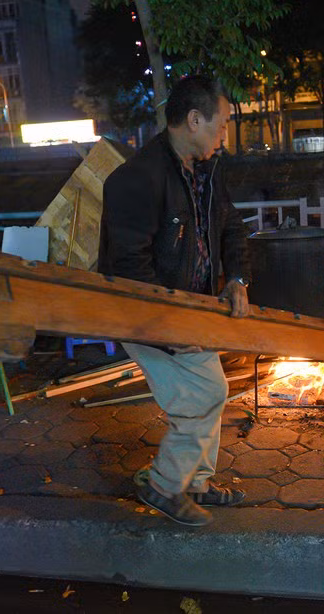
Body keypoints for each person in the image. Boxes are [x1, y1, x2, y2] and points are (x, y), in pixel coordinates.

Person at [99, 74, 251, 527]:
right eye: (221, 124)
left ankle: (196, 482)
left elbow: (232, 227)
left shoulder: (204, 170)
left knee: (213, 391)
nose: (225, 134)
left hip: (191, 311)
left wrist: (237, 278)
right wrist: (168, 334)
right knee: (200, 397)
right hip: (143, 317)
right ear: (193, 119)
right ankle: (163, 486)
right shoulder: (137, 179)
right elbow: (129, 272)